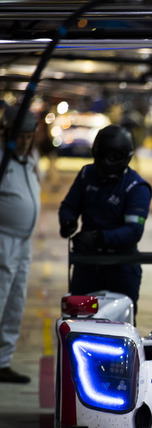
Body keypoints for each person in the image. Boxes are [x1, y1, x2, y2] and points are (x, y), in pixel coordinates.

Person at [58, 125, 152, 319]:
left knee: (119, 323)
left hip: (122, 268)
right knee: (79, 322)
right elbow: (69, 205)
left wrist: (99, 238)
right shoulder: (87, 175)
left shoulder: (136, 188)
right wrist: (67, 221)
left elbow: (133, 231)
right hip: (87, 266)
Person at [0, 105, 40, 383]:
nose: (24, 142)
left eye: (29, 136)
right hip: (3, 240)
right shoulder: (1, 161)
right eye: (20, 136)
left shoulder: (30, 159)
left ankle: (2, 361)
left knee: (15, 303)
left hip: (23, 243)